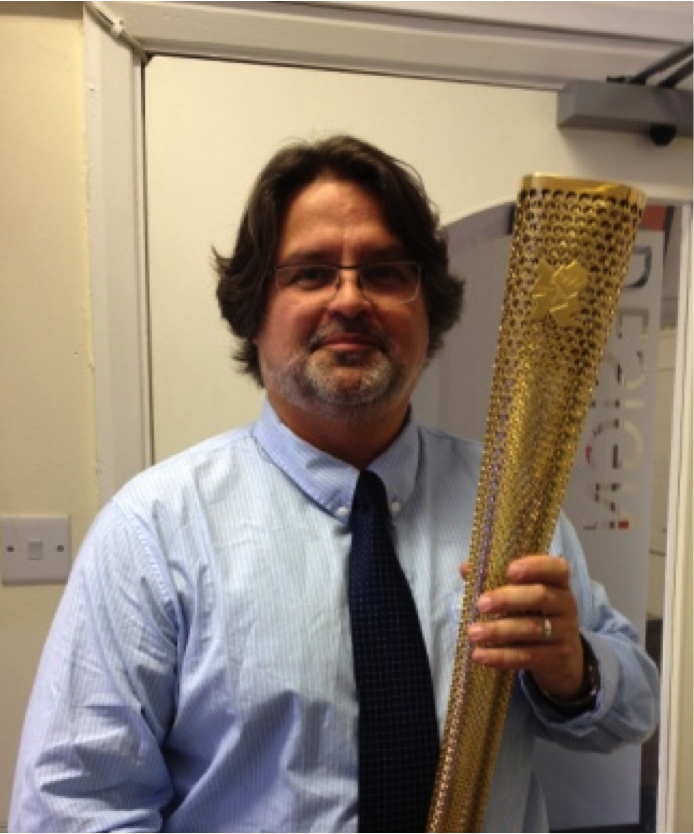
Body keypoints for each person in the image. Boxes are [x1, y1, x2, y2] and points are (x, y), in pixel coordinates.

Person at [10, 135, 658, 834]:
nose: (350, 299)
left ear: (428, 309)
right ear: (254, 311)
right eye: (312, 273)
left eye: (384, 272)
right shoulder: (151, 534)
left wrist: (574, 670)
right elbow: (72, 809)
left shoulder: (513, 505)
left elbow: (636, 710)